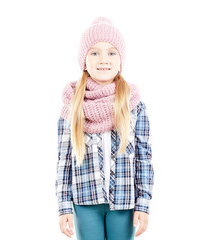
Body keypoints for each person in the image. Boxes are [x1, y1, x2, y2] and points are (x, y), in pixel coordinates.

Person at [55, 16, 154, 240]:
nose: (103, 60)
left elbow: (144, 158)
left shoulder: (133, 104)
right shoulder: (72, 106)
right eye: (94, 52)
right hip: (85, 201)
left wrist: (144, 203)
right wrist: (63, 207)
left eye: (111, 53)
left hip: (124, 202)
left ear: (120, 60)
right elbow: (64, 160)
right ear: (84, 60)